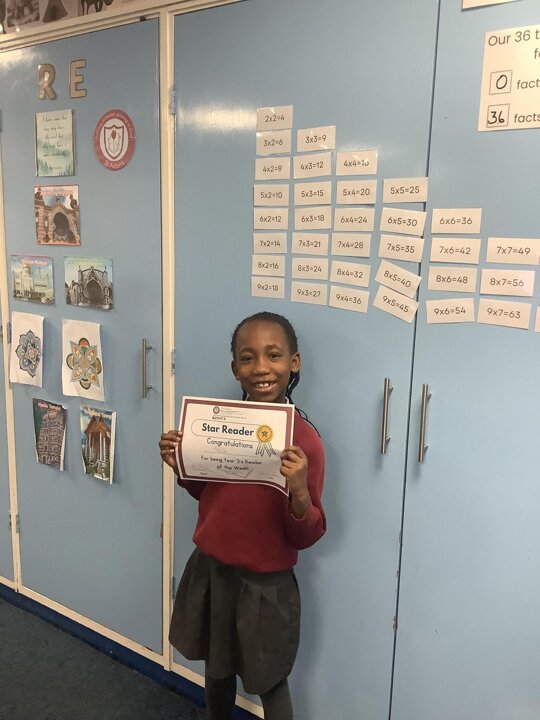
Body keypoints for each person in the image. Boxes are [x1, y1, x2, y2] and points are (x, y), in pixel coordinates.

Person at [159, 311, 326, 720]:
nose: (261, 368)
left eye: (274, 355)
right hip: (213, 571)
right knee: (217, 669)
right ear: (235, 369)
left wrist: (299, 489)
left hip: (266, 586)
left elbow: (308, 533)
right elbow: (208, 495)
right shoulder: (218, 427)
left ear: (294, 363)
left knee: (270, 679)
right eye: (248, 358)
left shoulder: (305, 442)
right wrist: (182, 464)